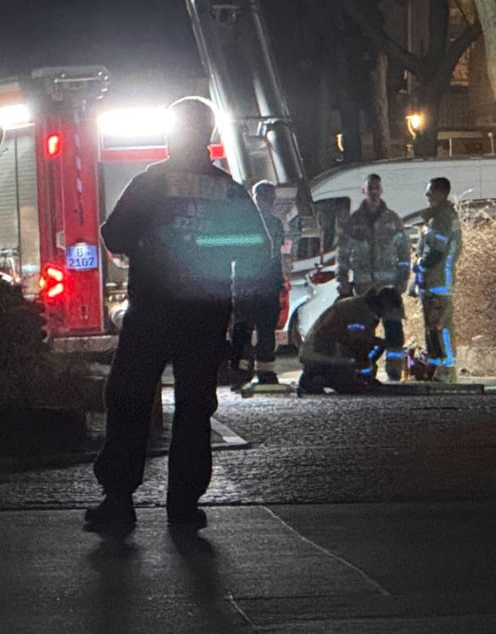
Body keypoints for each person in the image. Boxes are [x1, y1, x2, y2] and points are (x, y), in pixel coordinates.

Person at [83, 97, 272, 535]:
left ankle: (118, 500)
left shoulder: (152, 182)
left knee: (129, 400)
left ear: (173, 133)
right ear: (207, 135)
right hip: (204, 317)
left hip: (151, 309)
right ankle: (184, 505)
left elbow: (114, 234)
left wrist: (159, 244)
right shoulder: (228, 190)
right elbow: (254, 251)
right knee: (194, 407)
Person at [334, 173, 411, 380]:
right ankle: (365, 370)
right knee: (363, 331)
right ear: (364, 192)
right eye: (370, 189)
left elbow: (404, 252)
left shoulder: (393, 220)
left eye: (376, 188)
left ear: (381, 191)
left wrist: (402, 280)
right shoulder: (354, 222)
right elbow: (342, 254)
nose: (374, 192)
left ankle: (394, 370)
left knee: (393, 328)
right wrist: (342, 281)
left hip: (389, 286)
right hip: (364, 286)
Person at [228, 180, 285, 390]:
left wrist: (279, 281)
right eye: (266, 198)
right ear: (257, 198)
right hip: (248, 283)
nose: (269, 202)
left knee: (266, 330)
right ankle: (241, 373)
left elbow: (277, 256)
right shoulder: (242, 223)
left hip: (266, 284)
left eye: (271, 199)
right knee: (243, 329)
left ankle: (265, 371)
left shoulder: (276, 224)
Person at [298, 286, 404, 394]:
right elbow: (359, 346)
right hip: (323, 356)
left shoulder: (361, 306)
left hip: (320, 354)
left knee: (377, 345)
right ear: (386, 305)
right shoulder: (360, 313)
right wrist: (363, 376)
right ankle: (323, 377)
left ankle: (328, 376)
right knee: (353, 383)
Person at [412, 177, 462, 383]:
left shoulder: (442, 218)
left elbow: (436, 251)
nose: (427, 195)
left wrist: (421, 266)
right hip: (433, 280)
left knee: (441, 325)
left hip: (438, 280)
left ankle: (447, 369)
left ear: (441, 193)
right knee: (434, 326)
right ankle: (437, 366)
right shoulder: (438, 217)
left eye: (430, 191)